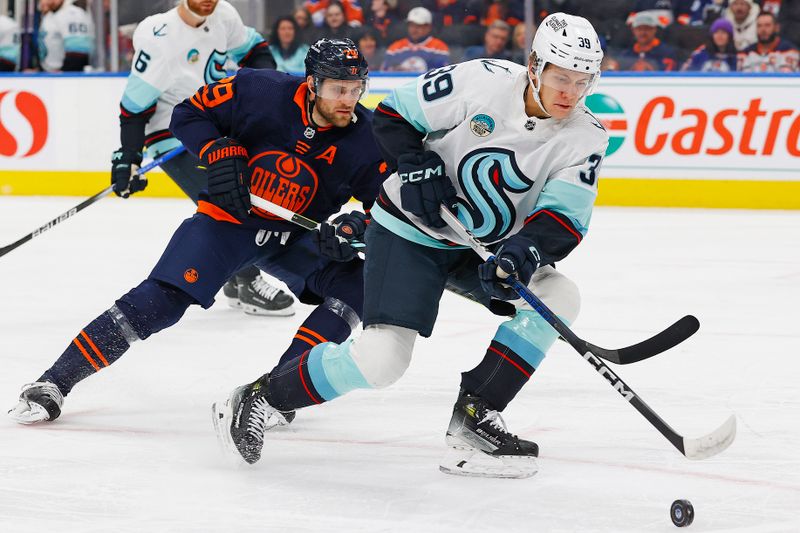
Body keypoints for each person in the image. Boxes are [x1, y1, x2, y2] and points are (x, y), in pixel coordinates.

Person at [214, 13, 609, 479]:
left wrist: (524, 251)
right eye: (561, 77)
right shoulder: (481, 80)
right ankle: (261, 396)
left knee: (559, 295)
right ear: (534, 65)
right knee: (382, 361)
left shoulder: (586, 137)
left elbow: (563, 216)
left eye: (582, 82)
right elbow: (394, 115)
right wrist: (416, 162)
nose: (569, 92)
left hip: (483, 246)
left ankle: (475, 420)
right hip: (408, 232)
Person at [8, 38, 388, 427]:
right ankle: (53, 382)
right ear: (312, 83)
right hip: (228, 221)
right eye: (339, 89)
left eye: (357, 89)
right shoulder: (259, 89)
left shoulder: (369, 138)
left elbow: (388, 213)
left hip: (294, 233)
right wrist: (216, 149)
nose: (349, 99)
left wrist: (356, 229)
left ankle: (274, 394)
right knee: (160, 301)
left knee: (356, 287)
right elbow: (188, 113)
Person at [110, 0, 293, 317]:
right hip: (171, 133)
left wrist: (265, 87)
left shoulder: (224, 15)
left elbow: (255, 48)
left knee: (245, 192)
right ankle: (248, 281)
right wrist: (128, 157)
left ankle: (236, 282)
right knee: (227, 198)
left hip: (215, 125)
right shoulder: (159, 38)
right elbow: (133, 108)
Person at [381, 6, 450, 72]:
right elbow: (385, 72)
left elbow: (442, 73)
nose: (414, 29)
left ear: (428, 27)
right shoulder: (395, 48)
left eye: (418, 26)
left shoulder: (439, 47)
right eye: (411, 25)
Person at [37, 0, 94, 72]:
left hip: (66, 76)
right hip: (50, 74)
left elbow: (78, 52)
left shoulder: (73, 14)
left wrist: (64, 74)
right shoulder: (50, 14)